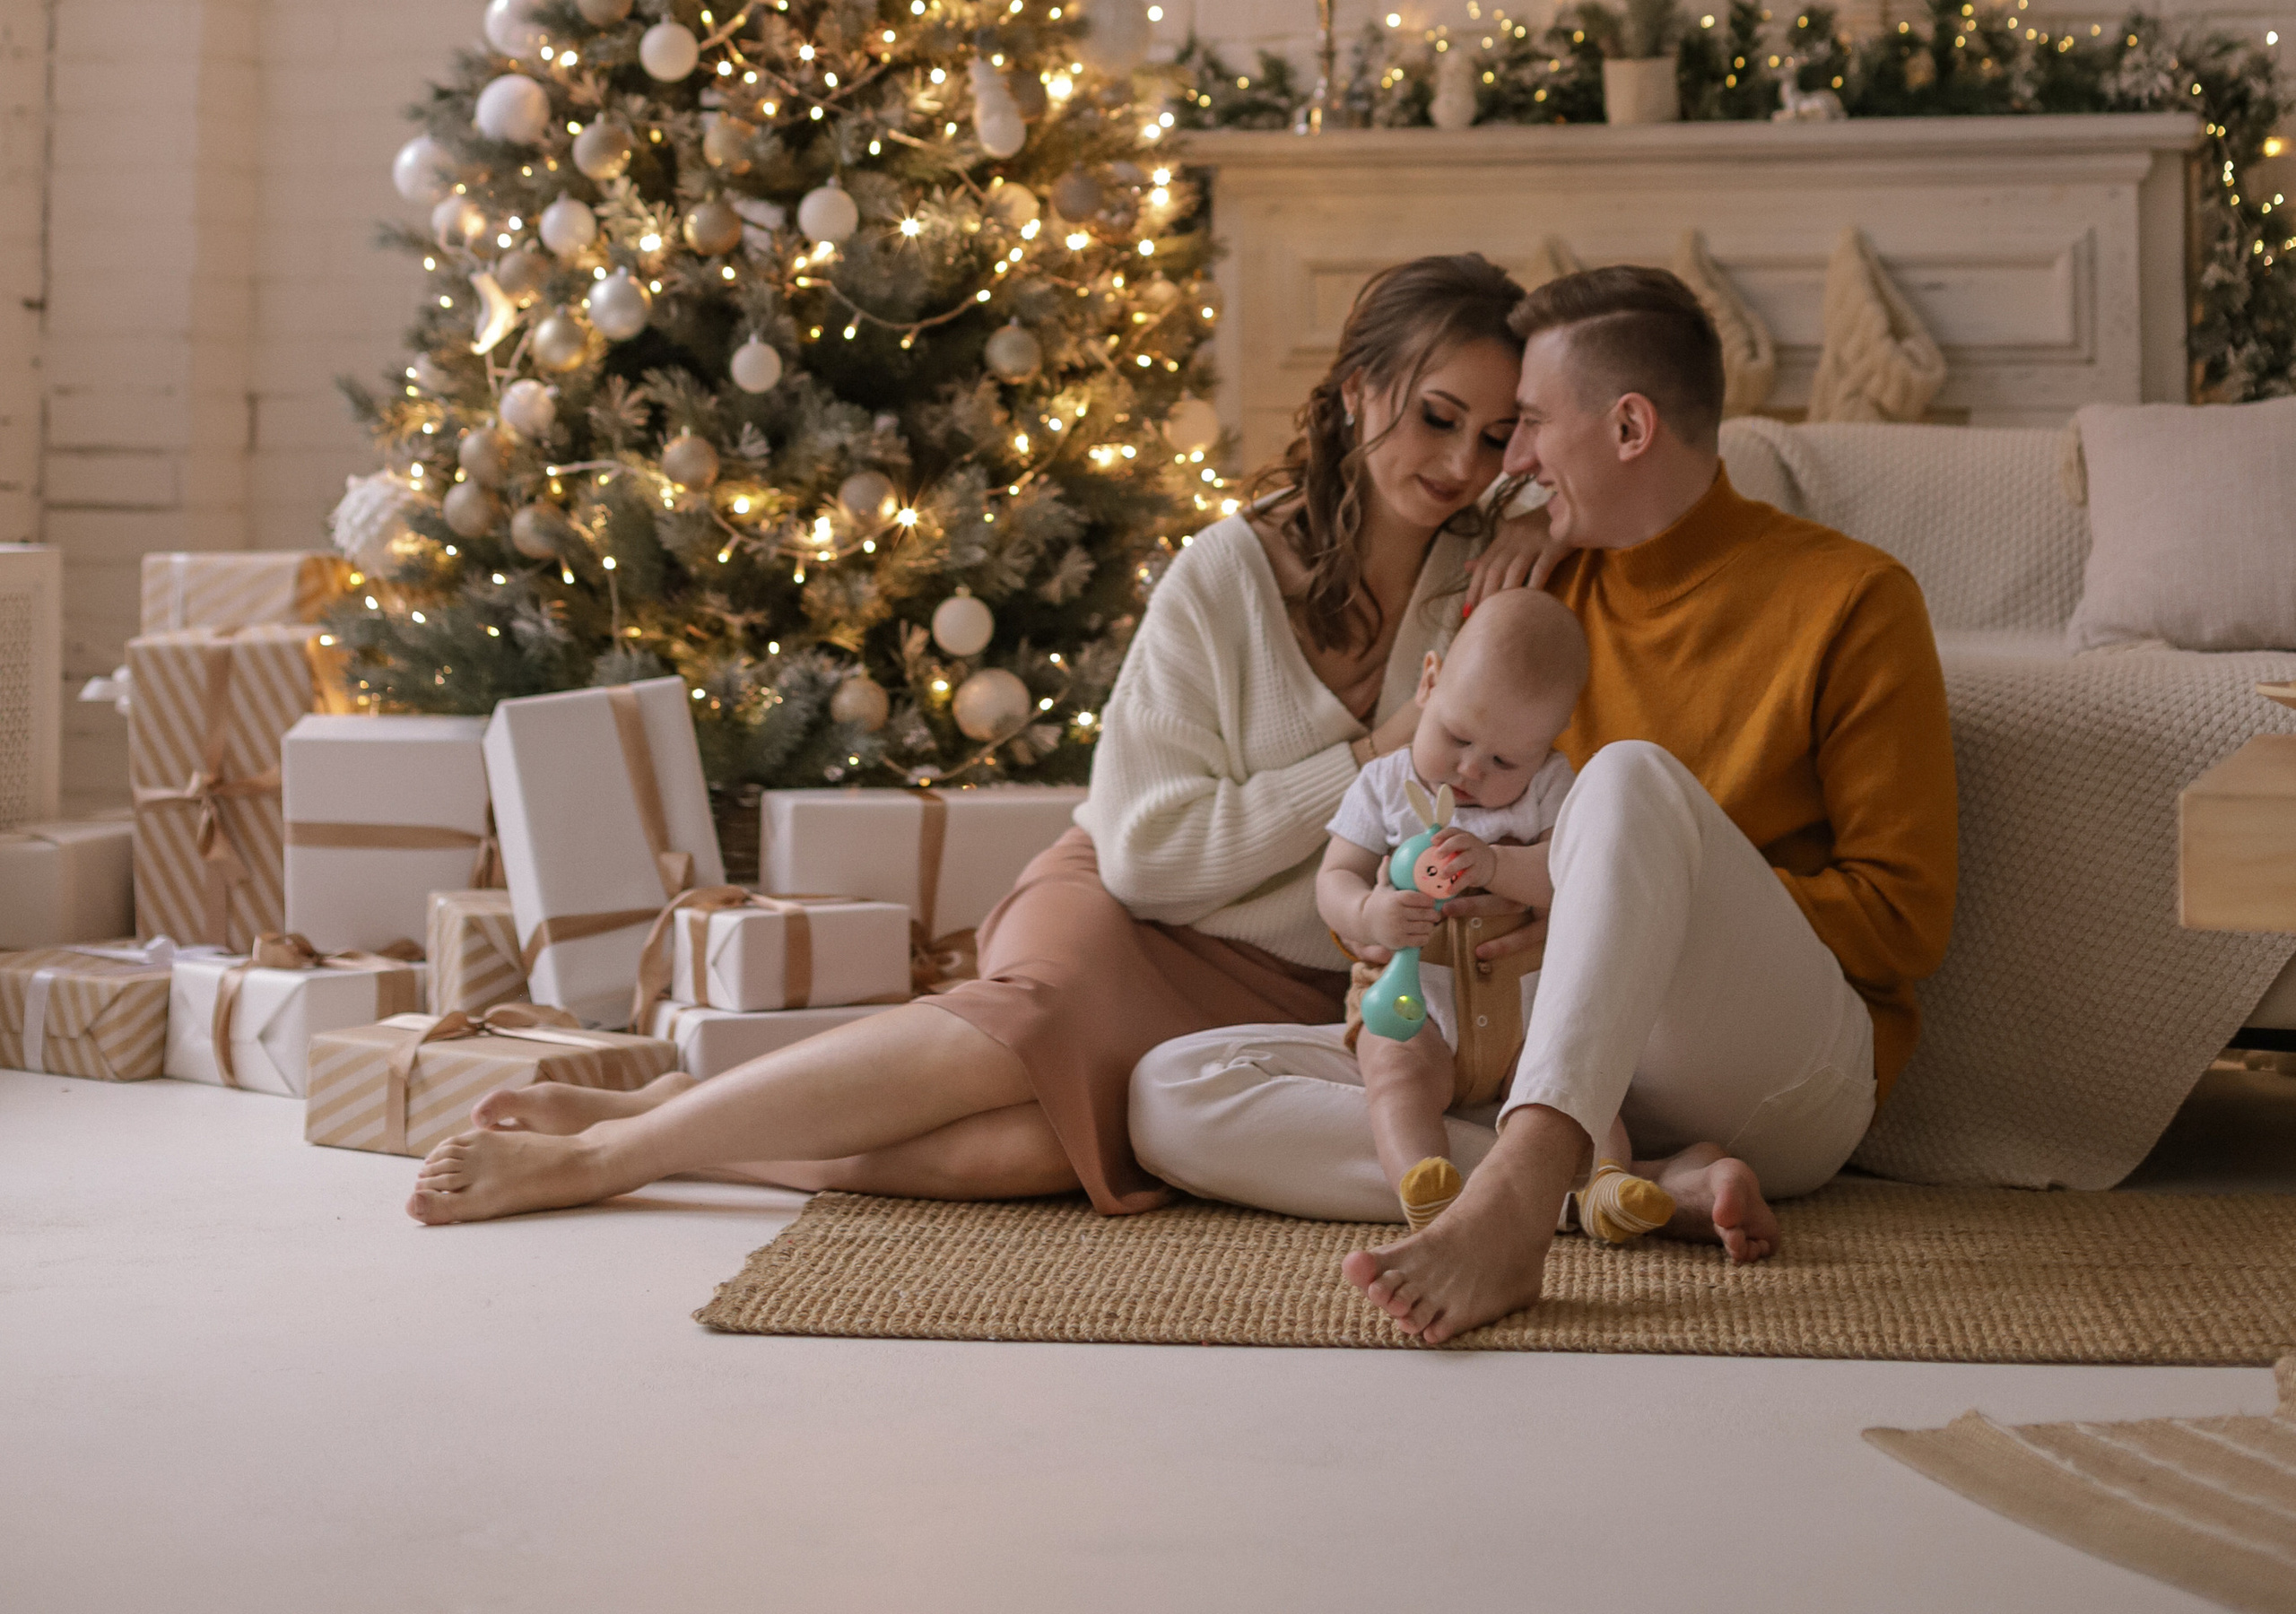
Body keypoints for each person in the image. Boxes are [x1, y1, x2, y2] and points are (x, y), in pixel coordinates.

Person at [404, 250, 1547, 1228]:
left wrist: (1547, 522)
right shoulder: (1224, 575)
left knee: (1041, 1157)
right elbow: (1150, 854)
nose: (1458, 465)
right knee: (1031, 1025)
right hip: (1125, 913)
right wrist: (1368, 752)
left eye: (1497, 438)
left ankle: (668, 1121)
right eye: (1436, 416)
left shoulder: (1485, 596)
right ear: (1357, 393)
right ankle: (605, 1161)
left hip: (1300, 982)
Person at [1127, 262, 1959, 1345]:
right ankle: (1629, 1189)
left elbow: (1905, 922)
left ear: (1627, 427)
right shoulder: (1521, 602)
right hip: (1534, 1061)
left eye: (1526, 426)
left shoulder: (1852, 598)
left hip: (1776, 1073)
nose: (1503, 464)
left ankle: (1517, 1204)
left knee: (1622, 778)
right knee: (1175, 1090)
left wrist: (1611, 904)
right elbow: (1410, 792)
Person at [1318, 588, 1673, 1246]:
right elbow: (1333, 878)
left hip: (1527, 1011)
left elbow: (1576, 878)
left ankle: (1605, 1183)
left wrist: (1495, 867)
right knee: (1395, 1075)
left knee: (1579, 1084)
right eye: (1457, 737)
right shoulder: (1383, 784)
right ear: (1428, 683)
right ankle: (1424, 1186)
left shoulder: (1549, 787)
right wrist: (1367, 911)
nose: (1472, 769)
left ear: (1547, 745)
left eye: (1505, 759)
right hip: (1411, 1000)